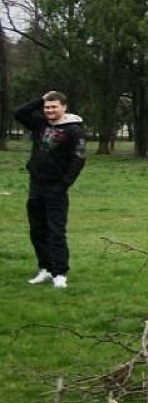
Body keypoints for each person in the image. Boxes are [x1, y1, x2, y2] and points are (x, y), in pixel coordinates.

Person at [16, 91, 87, 290]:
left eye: (54, 106)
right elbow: (19, 113)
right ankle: (45, 268)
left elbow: (79, 159)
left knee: (56, 230)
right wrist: (41, 99)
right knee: (37, 229)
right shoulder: (40, 124)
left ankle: (59, 272)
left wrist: (64, 183)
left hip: (56, 186)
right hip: (36, 184)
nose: (49, 110)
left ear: (64, 107)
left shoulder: (74, 130)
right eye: (47, 107)